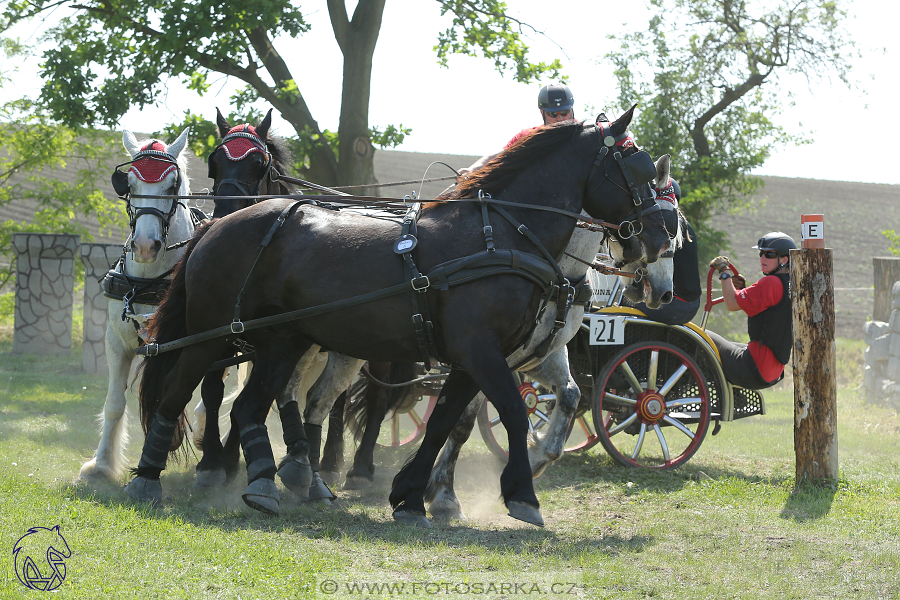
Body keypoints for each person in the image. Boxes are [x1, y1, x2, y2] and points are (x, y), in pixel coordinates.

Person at [706, 232, 797, 390]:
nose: (762, 258)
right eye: (761, 253)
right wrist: (742, 290)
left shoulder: (770, 283)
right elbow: (764, 312)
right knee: (730, 345)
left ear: (784, 259)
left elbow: (731, 304)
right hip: (771, 373)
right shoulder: (791, 284)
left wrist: (724, 272)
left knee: (703, 336)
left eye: (769, 254)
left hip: (751, 369)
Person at [624, 177, 701, 325]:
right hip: (692, 305)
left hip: (672, 305)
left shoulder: (664, 227)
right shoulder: (684, 225)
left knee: (619, 299)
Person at [458, 83, 577, 178]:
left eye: (565, 112)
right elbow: (500, 155)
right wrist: (472, 169)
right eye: (554, 114)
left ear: (572, 109)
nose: (560, 118)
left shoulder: (587, 134)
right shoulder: (529, 135)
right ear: (542, 112)